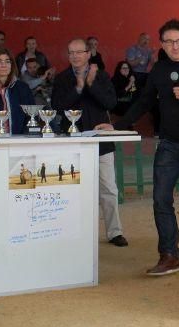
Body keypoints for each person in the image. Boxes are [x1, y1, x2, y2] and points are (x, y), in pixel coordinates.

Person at [98, 19, 179, 276]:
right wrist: (119, 125)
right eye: (168, 41)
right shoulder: (159, 69)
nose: (174, 46)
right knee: (160, 200)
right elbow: (143, 101)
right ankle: (169, 255)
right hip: (169, 145)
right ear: (162, 44)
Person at [52, 38, 127, 247]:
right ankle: (75, 233)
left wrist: (91, 84)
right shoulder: (62, 78)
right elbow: (57, 106)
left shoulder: (101, 76)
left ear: (88, 54)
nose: (75, 56)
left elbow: (111, 103)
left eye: (79, 52)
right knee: (73, 189)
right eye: (71, 53)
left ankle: (115, 232)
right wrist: (77, 88)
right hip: (71, 142)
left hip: (101, 141)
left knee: (109, 189)